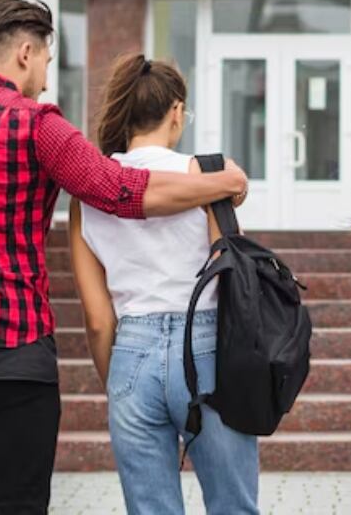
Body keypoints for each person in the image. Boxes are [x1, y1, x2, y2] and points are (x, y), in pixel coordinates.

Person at [0, 0, 248, 515]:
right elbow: (118, 190)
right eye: (44, 60)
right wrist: (222, 182)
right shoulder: (37, 125)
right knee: (18, 501)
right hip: (10, 353)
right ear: (23, 52)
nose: (43, 75)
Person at [68, 54, 257, 515]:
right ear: (176, 112)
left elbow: (96, 320)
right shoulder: (208, 174)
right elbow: (229, 277)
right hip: (208, 344)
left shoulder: (88, 194)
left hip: (131, 352)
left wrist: (117, 380)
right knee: (233, 505)